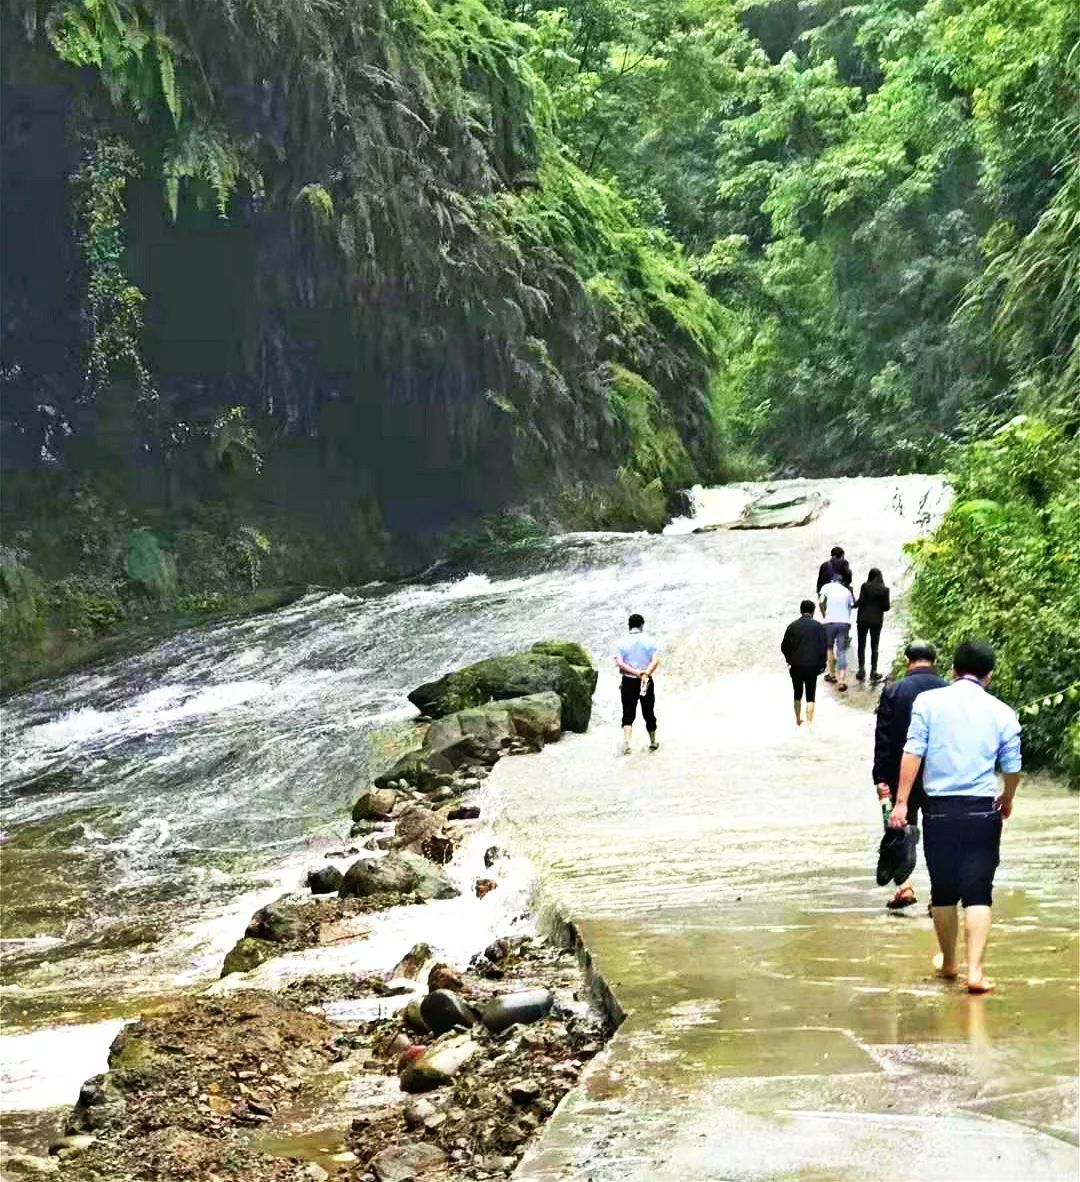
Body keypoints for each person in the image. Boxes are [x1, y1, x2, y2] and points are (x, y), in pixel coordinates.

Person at [889, 639, 1022, 994]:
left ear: (952, 670)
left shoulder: (928, 703)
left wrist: (902, 803)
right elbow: (1012, 767)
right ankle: (976, 973)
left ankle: (949, 963)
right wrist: (1007, 799)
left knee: (944, 890)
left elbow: (912, 752)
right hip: (982, 810)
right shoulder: (1003, 712)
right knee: (979, 891)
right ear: (989, 676)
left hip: (940, 811)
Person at [872, 640, 948, 909]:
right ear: (935, 662)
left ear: (908, 662)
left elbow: (882, 736)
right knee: (938, 832)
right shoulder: (948, 691)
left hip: (899, 772)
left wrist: (880, 777)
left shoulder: (894, 690)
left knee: (899, 830)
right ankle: (940, 896)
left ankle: (904, 888)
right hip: (940, 775)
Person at [615, 613, 660, 754]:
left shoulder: (621, 642)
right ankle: (653, 742)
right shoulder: (649, 640)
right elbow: (655, 660)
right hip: (645, 680)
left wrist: (635, 673)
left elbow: (620, 663)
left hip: (628, 680)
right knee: (648, 712)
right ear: (642, 625)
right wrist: (645, 673)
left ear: (629, 625)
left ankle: (627, 743)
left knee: (628, 713)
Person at [781, 600, 828, 726]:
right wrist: (822, 664)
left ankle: (797, 720)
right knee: (810, 695)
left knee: (797, 693)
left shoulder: (792, 626)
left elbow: (784, 646)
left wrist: (789, 659)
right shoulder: (819, 627)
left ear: (801, 611)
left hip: (796, 666)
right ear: (813, 611)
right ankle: (810, 722)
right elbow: (823, 647)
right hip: (812, 666)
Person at [818, 573, 855, 691]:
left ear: (832, 580)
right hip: (844, 623)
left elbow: (821, 600)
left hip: (830, 622)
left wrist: (824, 613)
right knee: (841, 650)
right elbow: (852, 606)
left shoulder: (826, 586)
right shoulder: (846, 591)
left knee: (829, 648)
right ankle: (842, 680)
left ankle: (832, 675)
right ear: (841, 582)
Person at [855, 568, 891, 684]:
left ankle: (861, 670)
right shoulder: (885, 590)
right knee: (874, 646)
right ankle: (873, 671)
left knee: (861, 644)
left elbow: (861, 601)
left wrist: (853, 605)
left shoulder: (865, 586)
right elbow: (886, 607)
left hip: (863, 619)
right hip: (876, 621)